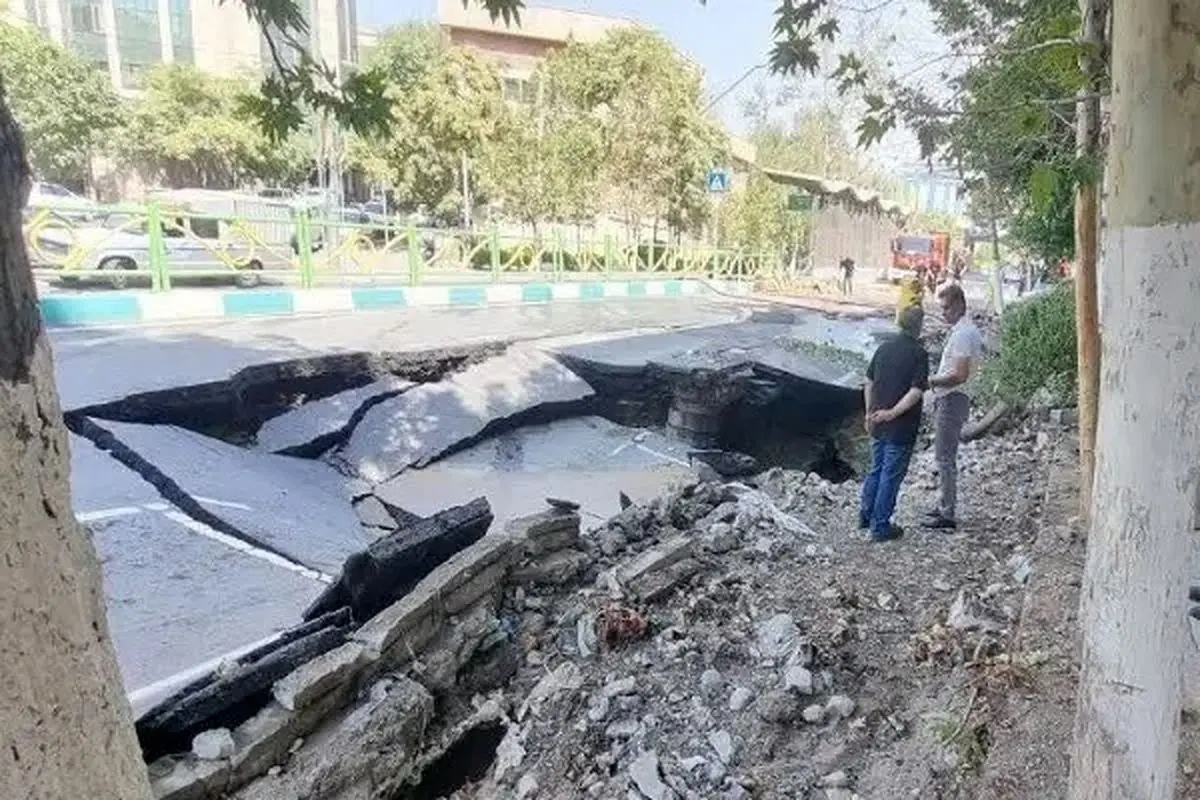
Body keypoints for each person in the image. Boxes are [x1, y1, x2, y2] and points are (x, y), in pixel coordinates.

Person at [860, 304, 929, 542]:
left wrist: (870, 412)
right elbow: (916, 391)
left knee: (876, 469)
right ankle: (880, 526)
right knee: (890, 475)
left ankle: (866, 515)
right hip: (901, 426)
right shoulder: (919, 354)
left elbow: (868, 382)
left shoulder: (884, 349)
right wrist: (893, 413)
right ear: (919, 326)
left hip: (877, 420)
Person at [923, 283, 985, 531]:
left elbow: (959, 375)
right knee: (944, 455)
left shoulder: (963, 334)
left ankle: (947, 512)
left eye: (947, 308)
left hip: (953, 398)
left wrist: (930, 381)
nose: (944, 313)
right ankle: (943, 504)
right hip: (952, 398)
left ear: (960, 304)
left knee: (944, 457)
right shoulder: (964, 331)